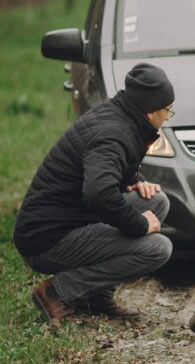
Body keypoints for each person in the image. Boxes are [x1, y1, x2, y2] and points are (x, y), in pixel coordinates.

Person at [13, 63, 176, 324]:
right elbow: (98, 194)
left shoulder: (121, 117)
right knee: (157, 248)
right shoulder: (113, 133)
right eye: (167, 110)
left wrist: (133, 182)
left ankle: (96, 296)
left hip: (70, 220)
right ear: (149, 111)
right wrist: (140, 224)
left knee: (155, 201)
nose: (168, 116)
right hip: (47, 239)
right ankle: (57, 292)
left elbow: (104, 170)